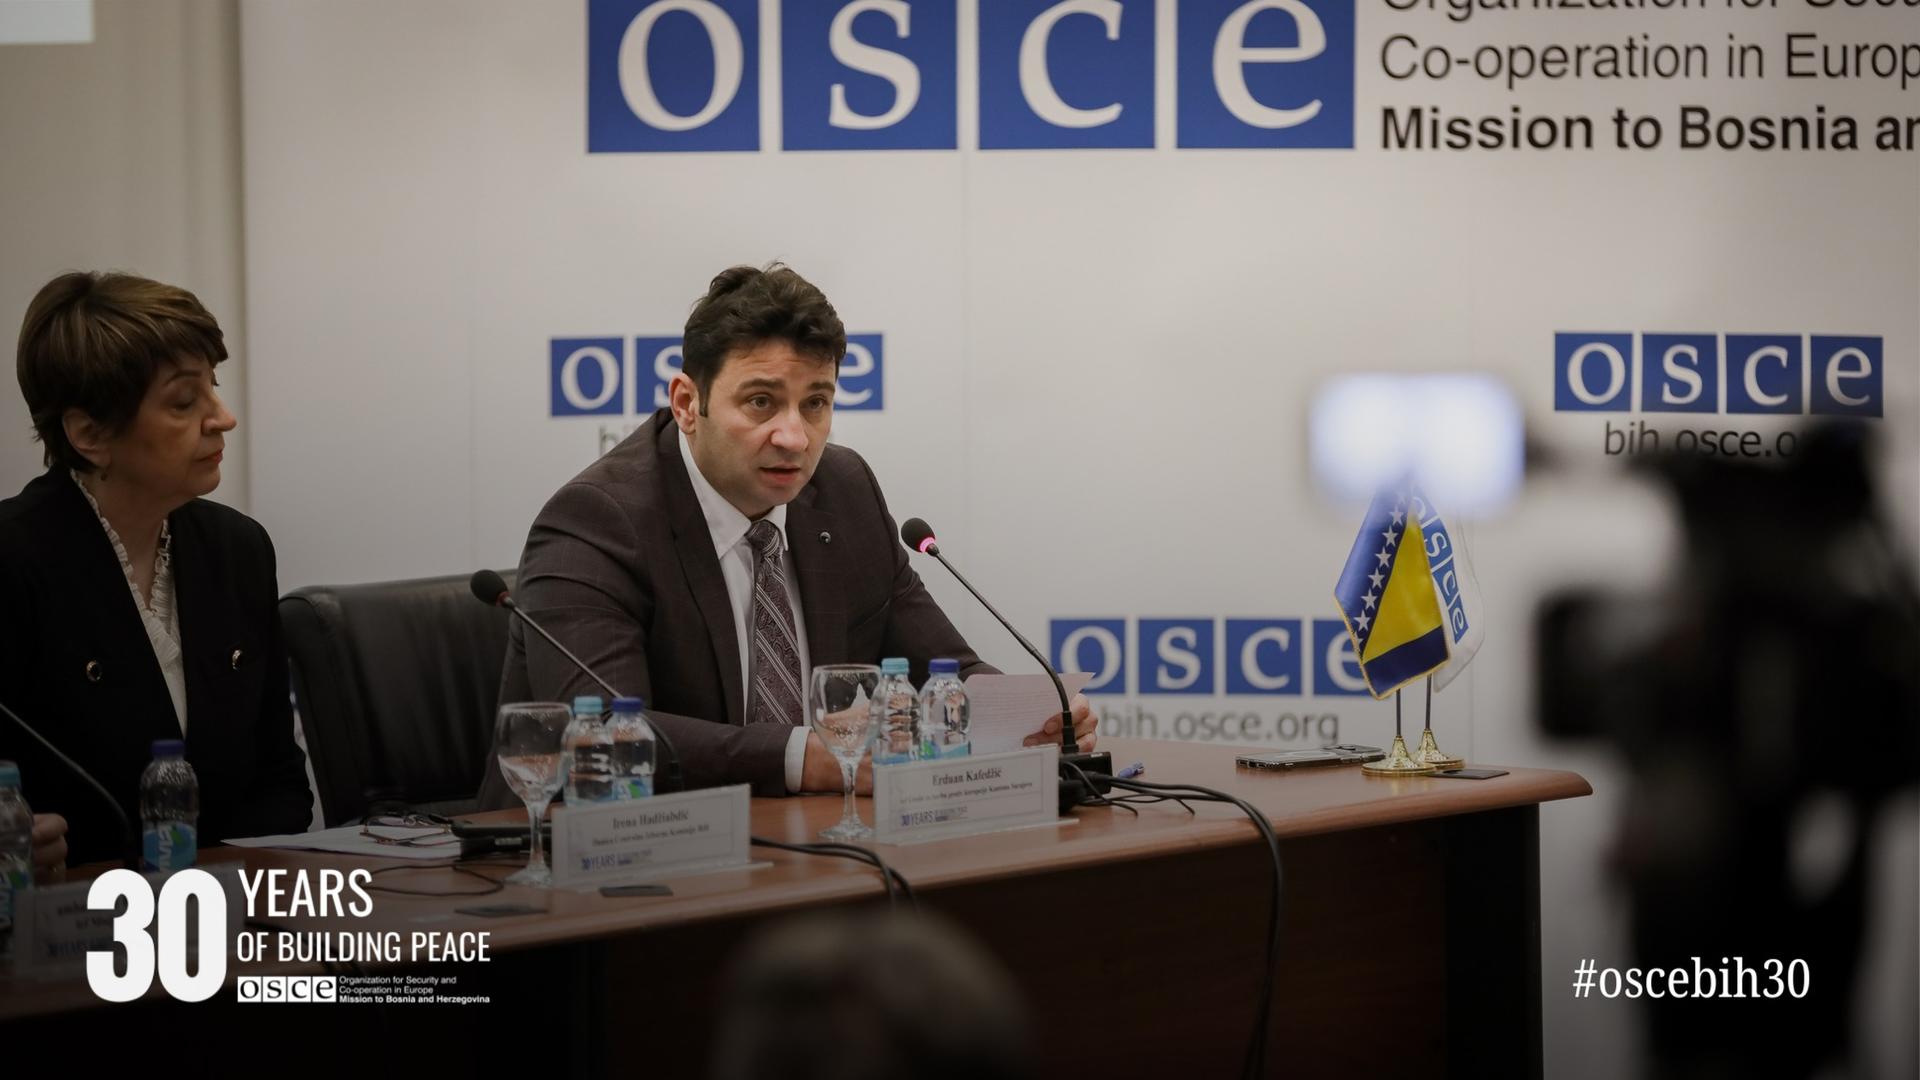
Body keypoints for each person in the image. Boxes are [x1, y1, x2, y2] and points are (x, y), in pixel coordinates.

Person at [491, 263, 1094, 800]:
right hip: (596, 864)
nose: (795, 438)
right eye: (760, 402)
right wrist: (803, 757)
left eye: (815, 403)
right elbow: (600, 735)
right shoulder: (597, 520)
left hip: (819, 847)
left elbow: (944, 667)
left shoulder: (843, 489)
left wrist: (1026, 718)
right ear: (685, 403)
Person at [0, 271, 313, 866]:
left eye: (214, 389)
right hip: (69, 930)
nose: (222, 418)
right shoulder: (15, 563)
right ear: (90, 434)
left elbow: (280, 783)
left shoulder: (239, 551)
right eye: (183, 401)